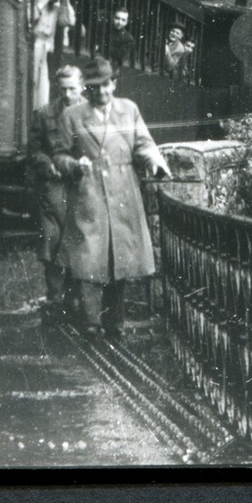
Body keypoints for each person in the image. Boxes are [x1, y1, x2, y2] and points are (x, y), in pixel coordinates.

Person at [57, 56, 170, 339]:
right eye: (95, 87)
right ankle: (91, 322)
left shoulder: (128, 110)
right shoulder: (72, 116)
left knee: (118, 258)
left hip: (122, 191)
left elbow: (143, 143)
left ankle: (115, 323)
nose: (102, 92)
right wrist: (73, 165)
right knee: (89, 259)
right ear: (87, 89)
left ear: (114, 83)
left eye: (107, 85)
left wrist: (155, 162)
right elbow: (59, 155)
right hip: (89, 191)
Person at [28, 61, 88, 327]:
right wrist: (47, 164)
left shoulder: (91, 114)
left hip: (81, 186)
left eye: (72, 89)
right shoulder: (44, 114)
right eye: (62, 89)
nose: (67, 94)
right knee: (51, 238)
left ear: (82, 87)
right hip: (53, 185)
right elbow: (34, 149)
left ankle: (76, 296)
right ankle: (54, 297)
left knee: (77, 239)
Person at [29, 0, 77, 108]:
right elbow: (27, 18)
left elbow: (70, 21)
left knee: (45, 87)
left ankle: (40, 113)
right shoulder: (29, 0)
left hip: (49, 49)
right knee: (31, 83)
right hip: (33, 45)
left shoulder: (56, 5)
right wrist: (41, 3)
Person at [105, 7, 136, 71]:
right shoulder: (105, 32)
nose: (119, 22)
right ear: (113, 18)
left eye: (123, 20)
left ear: (126, 22)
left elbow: (121, 58)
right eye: (117, 18)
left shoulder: (128, 38)